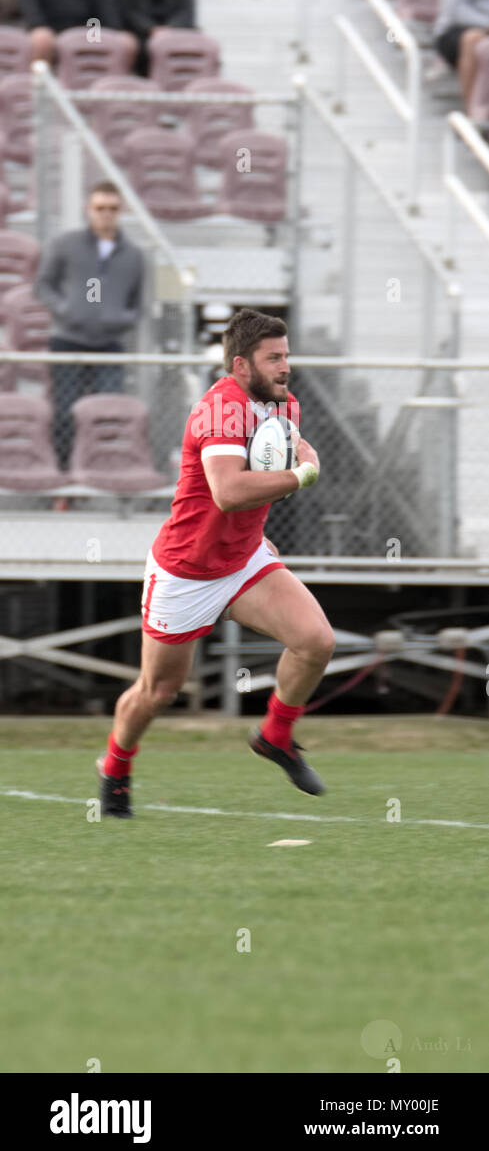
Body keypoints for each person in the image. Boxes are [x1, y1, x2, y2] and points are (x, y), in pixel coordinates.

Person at [96, 308, 336, 818]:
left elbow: (282, 458)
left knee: (316, 641)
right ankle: (115, 767)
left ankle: (276, 735)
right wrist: (302, 477)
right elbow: (228, 492)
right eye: (274, 358)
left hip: (243, 562)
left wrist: (264, 527)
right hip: (186, 570)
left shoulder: (283, 404)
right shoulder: (220, 409)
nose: (285, 366)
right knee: (158, 691)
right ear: (240, 365)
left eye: (287, 355)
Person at [35, 181, 144, 468]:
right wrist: (66, 309)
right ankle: (63, 472)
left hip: (109, 345)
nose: (106, 214)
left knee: (106, 411)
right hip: (67, 341)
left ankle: (101, 470)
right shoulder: (66, 245)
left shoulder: (133, 255)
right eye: (100, 208)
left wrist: (120, 319)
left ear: (121, 211)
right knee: (65, 411)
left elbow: (139, 301)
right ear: (89, 209)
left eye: (112, 208)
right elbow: (43, 285)